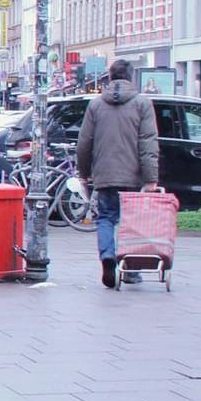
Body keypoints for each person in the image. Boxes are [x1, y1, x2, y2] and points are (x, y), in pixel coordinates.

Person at [76, 57, 161, 289]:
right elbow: (148, 143)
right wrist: (151, 177)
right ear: (131, 77)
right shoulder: (142, 104)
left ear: (110, 77)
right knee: (130, 222)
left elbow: (85, 142)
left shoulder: (96, 105)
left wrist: (84, 172)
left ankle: (107, 256)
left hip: (104, 174)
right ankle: (131, 270)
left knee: (105, 218)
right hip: (132, 176)